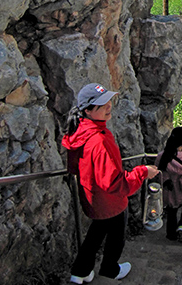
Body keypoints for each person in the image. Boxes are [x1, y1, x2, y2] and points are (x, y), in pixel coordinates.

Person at [62, 83, 159, 284]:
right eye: (101, 104)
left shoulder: (79, 132)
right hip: (109, 201)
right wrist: (142, 172)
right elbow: (114, 183)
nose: (108, 107)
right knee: (115, 237)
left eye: (108, 101)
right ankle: (109, 270)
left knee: (96, 234)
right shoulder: (99, 140)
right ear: (87, 110)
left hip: (92, 196)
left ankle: (80, 272)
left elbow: (73, 168)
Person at [155, 127, 182, 242]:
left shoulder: (162, 156)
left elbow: (159, 175)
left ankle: (171, 235)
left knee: (171, 213)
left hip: (168, 193)